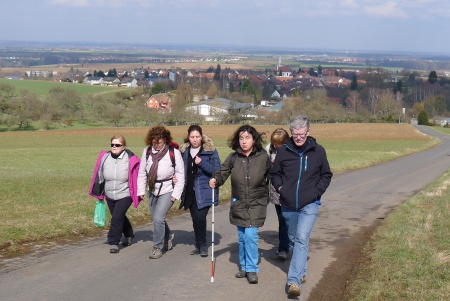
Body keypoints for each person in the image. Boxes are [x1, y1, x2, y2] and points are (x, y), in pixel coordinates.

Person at [270, 115, 333, 297]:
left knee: (302, 238)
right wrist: (282, 189)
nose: (298, 137)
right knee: (292, 239)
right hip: (288, 204)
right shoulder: (284, 151)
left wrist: (316, 192)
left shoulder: (318, 151)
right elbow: (275, 174)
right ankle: (301, 270)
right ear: (291, 133)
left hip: (310, 203)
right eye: (295, 134)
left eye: (302, 134)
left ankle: (293, 281)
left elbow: (326, 175)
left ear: (308, 132)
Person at [209, 125, 271, 285]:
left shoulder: (263, 157)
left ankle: (251, 269)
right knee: (243, 237)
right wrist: (216, 180)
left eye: (247, 138)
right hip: (239, 202)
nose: (244, 142)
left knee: (251, 236)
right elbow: (222, 173)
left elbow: (274, 176)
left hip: (257, 203)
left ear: (254, 140)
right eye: (241, 138)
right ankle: (243, 266)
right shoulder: (233, 158)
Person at [137, 126, 185, 259]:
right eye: (153, 141)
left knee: (158, 218)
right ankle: (168, 235)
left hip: (168, 188)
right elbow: (142, 172)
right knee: (157, 218)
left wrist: (176, 194)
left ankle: (157, 247)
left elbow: (180, 175)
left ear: (165, 140)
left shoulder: (173, 153)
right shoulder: (146, 152)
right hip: (152, 188)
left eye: (159, 141)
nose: (156, 144)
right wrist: (140, 190)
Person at [89, 135, 141, 254]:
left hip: (125, 193)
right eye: (112, 144)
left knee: (116, 217)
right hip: (109, 194)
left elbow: (137, 175)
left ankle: (113, 242)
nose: (114, 147)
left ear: (123, 146)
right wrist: (99, 193)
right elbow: (99, 175)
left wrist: (140, 191)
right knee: (119, 216)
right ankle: (128, 234)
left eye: (117, 145)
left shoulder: (130, 158)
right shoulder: (105, 157)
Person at [178, 125, 221, 257]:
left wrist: (202, 163)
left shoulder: (210, 151)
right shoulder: (184, 151)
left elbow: (217, 170)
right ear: (188, 137)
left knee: (199, 217)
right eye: (192, 137)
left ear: (201, 137)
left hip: (204, 190)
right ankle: (198, 244)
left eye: (197, 137)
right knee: (194, 218)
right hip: (189, 190)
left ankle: (203, 245)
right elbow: (179, 169)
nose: (195, 139)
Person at [265, 128, 290, 261]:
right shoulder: (269, 149)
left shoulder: (292, 149)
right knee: (282, 219)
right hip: (276, 190)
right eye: (275, 143)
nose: (277, 146)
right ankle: (283, 248)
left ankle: (288, 245)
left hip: (290, 189)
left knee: (289, 219)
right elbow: (265, 167)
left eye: (279, 143)